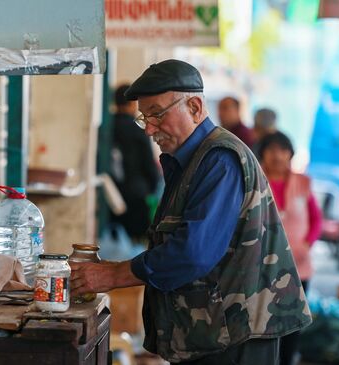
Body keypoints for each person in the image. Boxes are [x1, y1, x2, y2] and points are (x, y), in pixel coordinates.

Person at [71, 59, 311, 365]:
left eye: (157, 114)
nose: (150, 130)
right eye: (144, 119)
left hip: (236, 336)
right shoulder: (188, 161)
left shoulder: (220, 160)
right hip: (213, 332)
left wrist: (114, 275)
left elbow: (192, 252)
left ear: (195, 107)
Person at [258, 131, 322, 365]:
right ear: (262, 153)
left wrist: (307, 243)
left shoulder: (303, 182)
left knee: (293, 324)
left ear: (291, 154)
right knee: (264, 324)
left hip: (299, 267)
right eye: (271, 149)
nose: (277, 155)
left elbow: (316, 218)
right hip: (263, 268)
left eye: (283, 150)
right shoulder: (255, 180)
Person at [109, 84, 160, 242]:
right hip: (137, 195)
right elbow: (148, 164)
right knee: (137, 243)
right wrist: (152, 186)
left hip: (111, 194)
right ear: (133, 104)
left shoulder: (107, 127)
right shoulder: (138, 130)